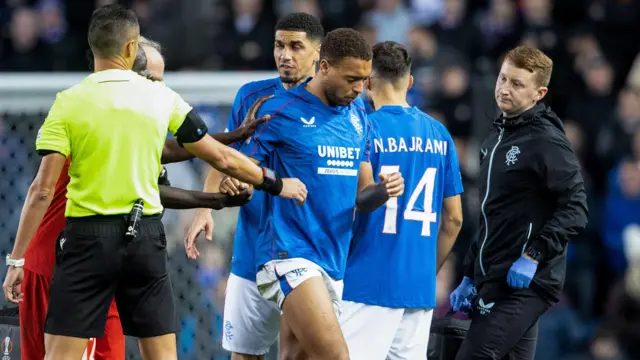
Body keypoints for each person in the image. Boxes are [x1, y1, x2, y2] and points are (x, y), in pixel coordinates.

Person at [2, 5, 306, 360]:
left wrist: (15, 260)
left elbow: (42, 188)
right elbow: (203, 155)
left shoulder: (70, 104)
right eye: (153, 76)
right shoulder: (158, 100)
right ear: (131, 52)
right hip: (119, 241)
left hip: (84, 242)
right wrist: (273, 183)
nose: (158, 84)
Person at [227, 28, 404, 360]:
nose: (359, 88)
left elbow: (362, 197)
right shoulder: (281, 109)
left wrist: (383, 191)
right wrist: (254, 183)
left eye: (364, 80)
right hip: (288, 253)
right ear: (324, 67)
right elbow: (241, 166)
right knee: (336, 356)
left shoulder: (358, 117)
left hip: (332, 258)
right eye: (351, 78)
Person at [185, 12, 325, 360]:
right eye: (279, 45)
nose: (285, 55)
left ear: (317, 53)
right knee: (244, 354)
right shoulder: (252, 95)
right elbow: (224, 156)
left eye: (296, 46)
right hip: (252, 249)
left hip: (305, 254)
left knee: (300, 351)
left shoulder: (333, 105)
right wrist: (206, 207)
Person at [449, 46, 589, 360]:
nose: (504, 88)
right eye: (503, 78)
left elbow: (576, 207)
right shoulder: (496, 137)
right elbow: (491, 215)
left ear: (539, 93)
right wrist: (470, 275)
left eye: (517, 84)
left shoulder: (545, 140)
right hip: (494, 279)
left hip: (526, 283)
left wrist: (534, 254)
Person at [339, 41, 464, 360]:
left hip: (369, 282)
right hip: (418, 289)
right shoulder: (440, 135)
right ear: (409, 82)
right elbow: (454, 219)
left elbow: (357, 200)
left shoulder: (364, 130)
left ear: (367, 82)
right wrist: (426, 270)